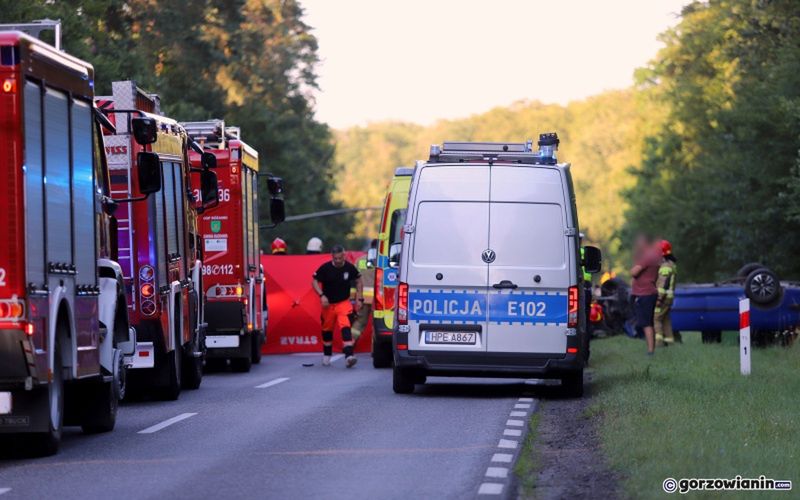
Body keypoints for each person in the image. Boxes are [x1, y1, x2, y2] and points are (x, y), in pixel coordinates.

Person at [311, 245, 364, 368]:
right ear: (332, 257)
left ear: (344, 256)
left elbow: (359, 279)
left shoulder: (349, 268)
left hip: (343, 303)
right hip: (328, 305)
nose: (338, 261)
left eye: (340, 258)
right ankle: (327, 354)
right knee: (327, 330)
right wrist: (322, 295)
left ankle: (349, 356)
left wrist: (359, 298)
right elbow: (314, 281)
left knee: (345, 327)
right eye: (336, 259)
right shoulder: (325, 268)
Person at [630, 235, 662, 355]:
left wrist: (633, 268)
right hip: (649, 292)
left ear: (645, 243)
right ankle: (650, 347)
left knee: (646, 323)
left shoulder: (647, 256)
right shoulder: (655, 257)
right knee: (647, 321)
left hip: (644, 293)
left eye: (639, 243)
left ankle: (650, 351)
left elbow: (634, 272)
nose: (637, 245)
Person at [654, 240, 678, 346]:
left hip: (663, 298)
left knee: (656, 318)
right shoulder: (671, 265)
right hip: (669, 298)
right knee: (665, 319)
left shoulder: (665, 267)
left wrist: (659, 298)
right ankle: (670, 341)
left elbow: (663, 284)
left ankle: (658, 343)